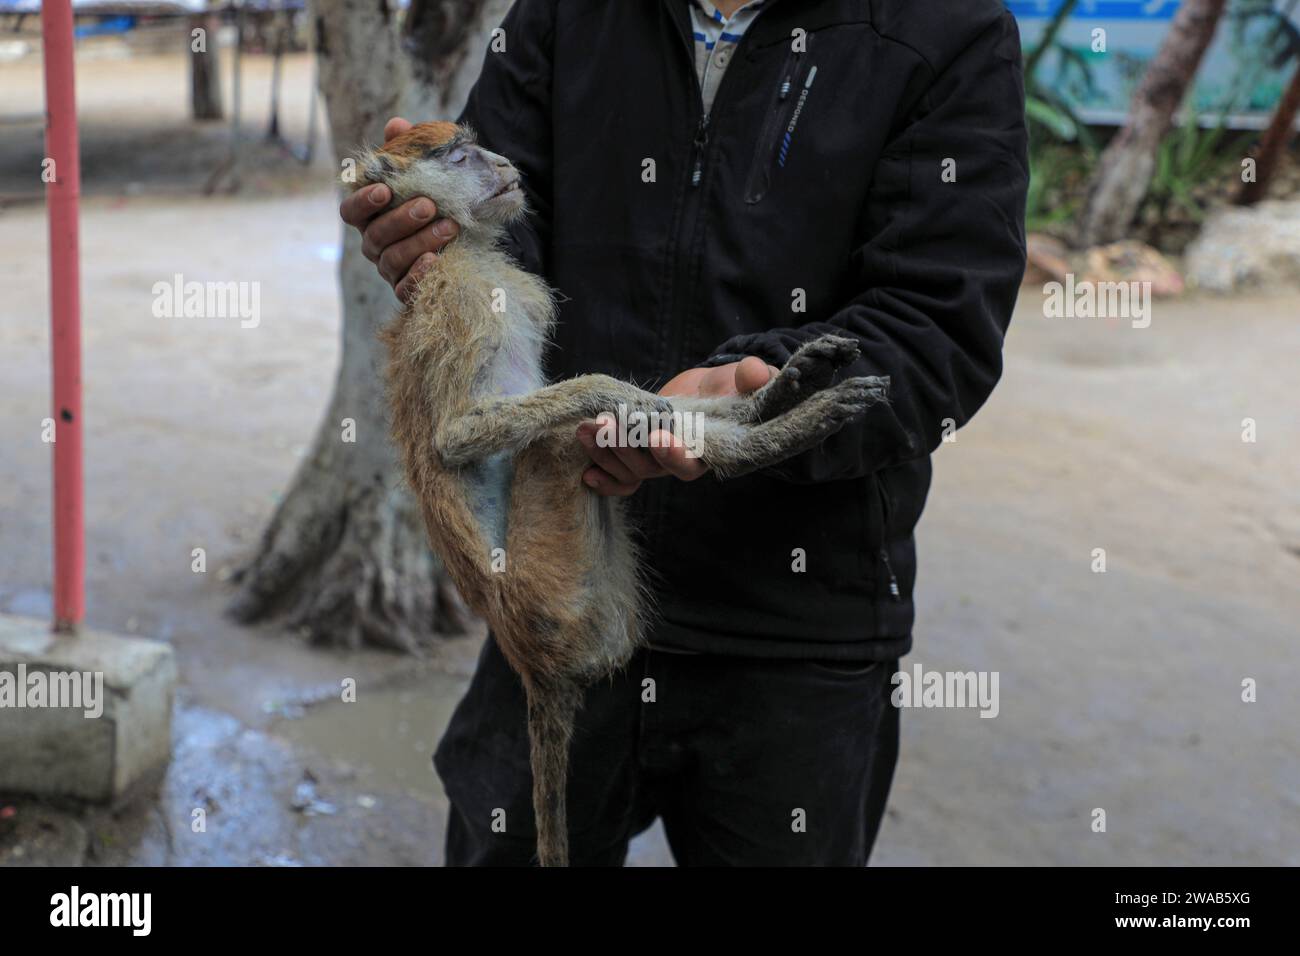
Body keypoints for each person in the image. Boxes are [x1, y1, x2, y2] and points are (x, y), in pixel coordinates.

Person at [339, 0, 1028, 866]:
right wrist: (435, 245)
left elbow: (941, 333)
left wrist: (762, 384)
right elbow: (515, 230)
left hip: (799, 629)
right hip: (563, 572)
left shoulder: (948, 27)